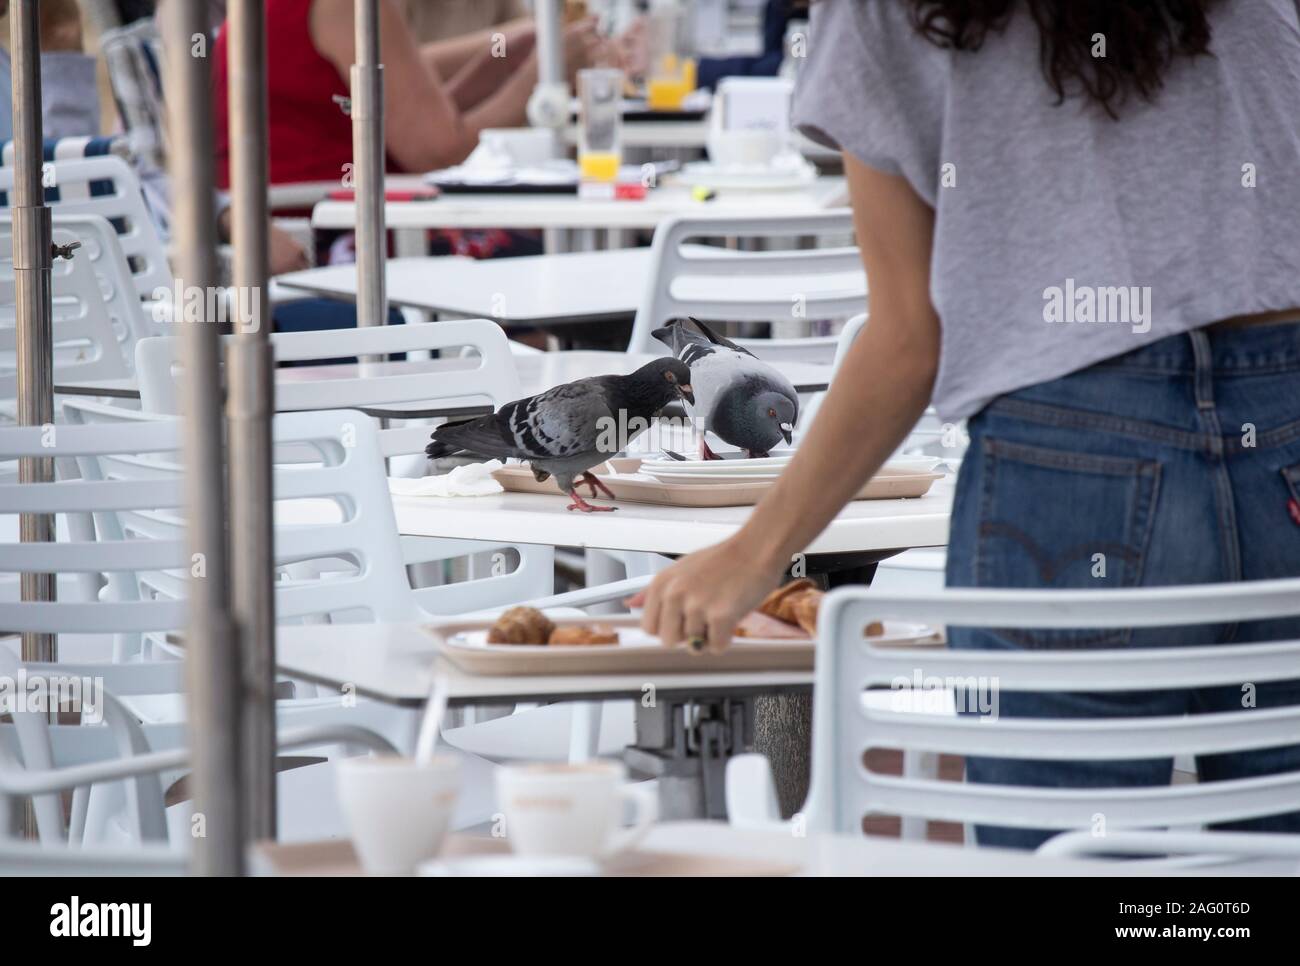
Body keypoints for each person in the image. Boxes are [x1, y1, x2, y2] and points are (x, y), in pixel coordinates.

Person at [633, 0, 1300, 848]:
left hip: (1070, 453)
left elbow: (910, 342)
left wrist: (754, 553)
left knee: (1065, 860)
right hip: (1286, 426)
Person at [211, 0, 604, 188]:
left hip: (313, 219)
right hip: (339, 240)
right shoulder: (351, 7)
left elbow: (411, 119)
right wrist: (540, 79)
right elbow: (438, 151)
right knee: (561, 268)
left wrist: (500, 67)